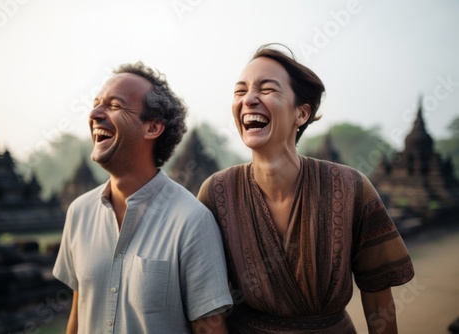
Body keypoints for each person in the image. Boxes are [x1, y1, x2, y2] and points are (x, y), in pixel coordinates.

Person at [197, 44, 415, 333]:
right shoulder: (218, 192)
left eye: (267, 89)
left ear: (301, 114)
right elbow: (206, 303)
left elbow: (378, 299)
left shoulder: (350, 187)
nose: (248, 99)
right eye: (240, 91)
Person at [53, 62, 233, 334]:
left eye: (114, 106)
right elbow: (79, 315)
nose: (94, 113)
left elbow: (209, 329)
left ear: (152, 128)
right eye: (96, 103)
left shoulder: (191, 222)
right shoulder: (79, 212)